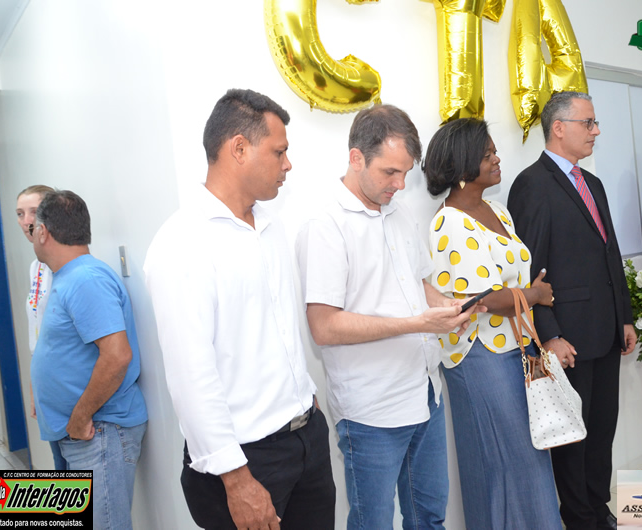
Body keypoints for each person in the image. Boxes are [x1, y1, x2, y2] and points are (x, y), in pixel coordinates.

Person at [144, 89, 336, 530]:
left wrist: (306, 401)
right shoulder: (182, 243)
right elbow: (192, 375)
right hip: (245, 462)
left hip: (305, 438)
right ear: (239, 148)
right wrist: (236, 479)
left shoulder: (270, 226)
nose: (288, 165)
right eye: (279, 152)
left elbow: (277, 331)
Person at [296, 104, 475, 530]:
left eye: (406, 173)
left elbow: (420, 283)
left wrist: (447, 305)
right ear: (356, 158)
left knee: (429, 517)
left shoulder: (400, 212)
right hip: (371, 411)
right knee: (373, 523)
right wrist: (418, 324)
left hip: (425, 393)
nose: (400, 184)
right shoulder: (325, 225)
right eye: (390, 172)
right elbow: (324, 327)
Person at [422, 117, 562, 529]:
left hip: (514, 349)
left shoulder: (497, 210)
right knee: (505, 461)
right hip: (480, 357)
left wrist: (525, 295)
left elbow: (508, 284)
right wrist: (534, 295)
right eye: (487, 155)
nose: (498, 159)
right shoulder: (449, 222)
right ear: (463, 166)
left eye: (495, 151)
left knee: (526, 457)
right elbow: (481, 300)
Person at [508, 91, 637, 530]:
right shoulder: (532, 184)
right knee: (573, 436)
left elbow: (610, 255)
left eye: (595, 122)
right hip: (569, 336)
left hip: (606, 329)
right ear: (559, 128)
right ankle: (579, 518)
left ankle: (599, 509)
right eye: (588, 123)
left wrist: (625, 317)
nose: (596, 131)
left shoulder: (592, 182)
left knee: (602, 430)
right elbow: (530, 269)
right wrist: (550, 334)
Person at [31, 190, 148, 530]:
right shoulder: (70, 276)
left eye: (32, 226)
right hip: (81, 433)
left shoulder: (85, 279)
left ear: (43, 232)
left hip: (98, 432)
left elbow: (117, 356)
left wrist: (81, 416)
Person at [15, 184, 66, 470]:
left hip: (66, 383)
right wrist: (35, 386)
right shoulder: (36, 266)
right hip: (46, 380)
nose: (26, 221)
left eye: (33, 211)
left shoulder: (64, 263)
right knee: (62, 468)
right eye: (20, 213)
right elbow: (36, 328)